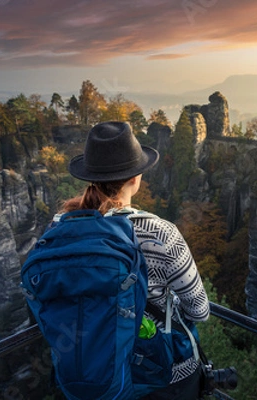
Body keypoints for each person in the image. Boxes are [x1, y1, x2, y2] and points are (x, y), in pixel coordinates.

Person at [61, 121, 210, 400]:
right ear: (135, 178)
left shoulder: (61, 228)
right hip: (159, 375)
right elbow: (199, 310)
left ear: (89, 177)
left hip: (92, 369)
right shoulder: (160, 233)